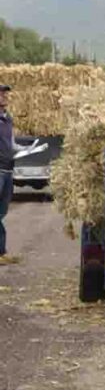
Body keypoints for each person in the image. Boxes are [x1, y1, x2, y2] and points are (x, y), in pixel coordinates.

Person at [0, 84, 19, 262]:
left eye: (5, 93)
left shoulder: (8, 119)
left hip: (8, 170)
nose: (4, 96)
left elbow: (12, 144)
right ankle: (1, 252)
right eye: (1, 93)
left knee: (2, 211)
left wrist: (28, 149)